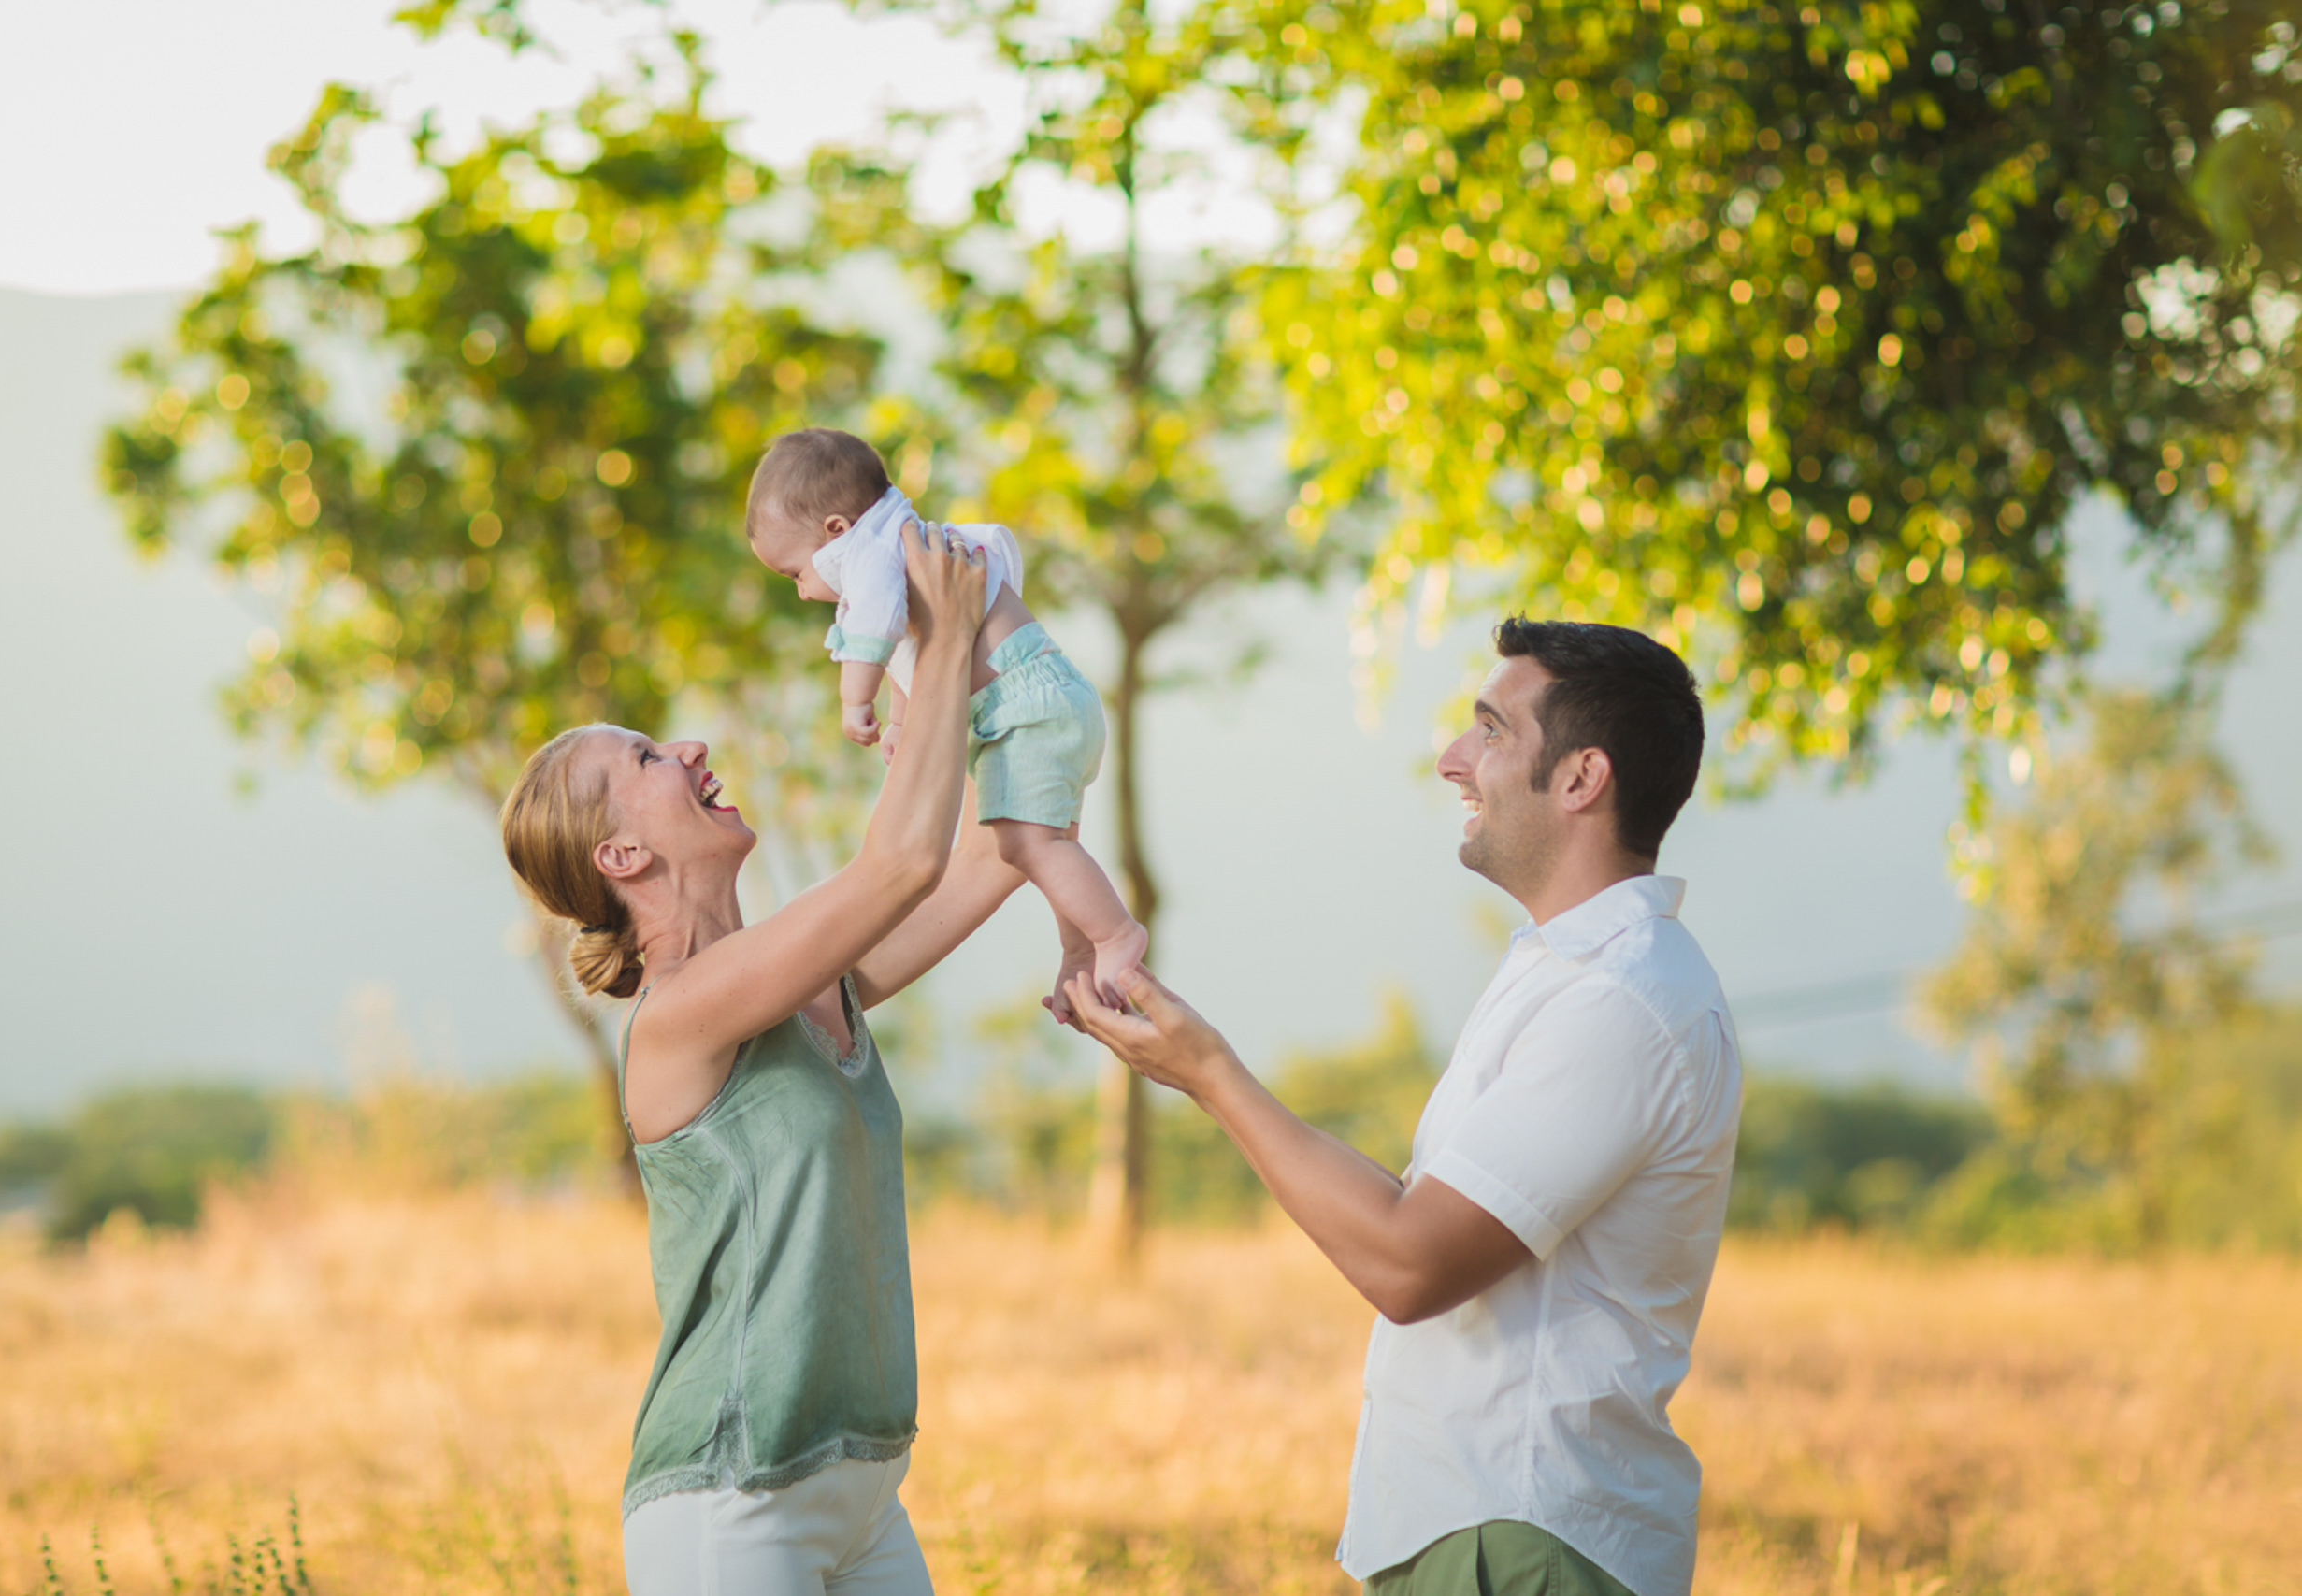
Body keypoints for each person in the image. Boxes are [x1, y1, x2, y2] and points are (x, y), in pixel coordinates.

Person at [1064, 619, 1740, 1596]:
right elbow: (1418, 1211)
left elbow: (1408, 1261)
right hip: (1480, 1527)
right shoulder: (1569, 972)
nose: (1451, 761)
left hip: (1518, 1537)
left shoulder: (1617, 1001)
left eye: (1491, 732)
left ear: (1582, 778)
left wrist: (1209, 1074)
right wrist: (1201, 1063)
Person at [500, 519, 1020, 1596]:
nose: (685, 746)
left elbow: (993, 850)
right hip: (728, 1503)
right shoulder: (679, 1020)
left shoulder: (807, 987)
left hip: (865, 1488)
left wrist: (963, 673)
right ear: (623, 856)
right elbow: (901, 865)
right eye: (646, 758)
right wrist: (945, 623)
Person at [744, 426, 1149, 1005]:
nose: (804, 592)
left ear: (836, 532)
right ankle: (1083, 952)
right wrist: (904, 722)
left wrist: (853, 701)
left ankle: (1115, 933)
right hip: (1040, 702)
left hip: (1023, 711)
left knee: (1028, 847)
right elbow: (916, 655)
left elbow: (874, 634)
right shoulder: (909, 545)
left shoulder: (874, 560)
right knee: (1052, 843)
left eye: (796, 573)